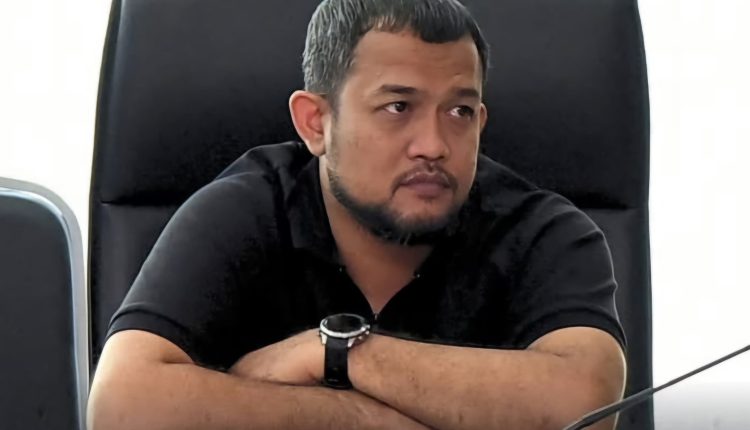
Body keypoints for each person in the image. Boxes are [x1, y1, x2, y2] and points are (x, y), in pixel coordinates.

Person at [87, 0, 627, 429]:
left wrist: (336, 355)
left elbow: (586, 403)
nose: (434, 145)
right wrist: (363, 418)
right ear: (315, 123)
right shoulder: (244, 210)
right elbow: (121, 408)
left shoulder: (543, 232)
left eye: (459, 111)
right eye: (398, 107)